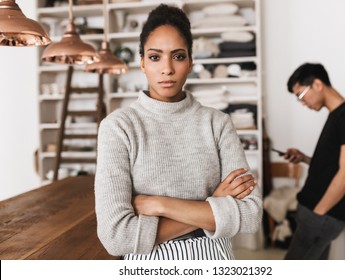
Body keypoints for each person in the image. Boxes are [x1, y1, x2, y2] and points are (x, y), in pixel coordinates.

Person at [94, 4, 262, 260]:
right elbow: (116, 238)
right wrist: (211, 206)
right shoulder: (119, 127)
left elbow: (250, 215)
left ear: (191, 62)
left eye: (178, 56)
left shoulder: (217, 123)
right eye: (154, 56)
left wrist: (158, 204)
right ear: (141, 63)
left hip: (213, 259)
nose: (167, 69)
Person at [282, 63, 345, 260]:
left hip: (321, 214)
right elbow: (332, 166)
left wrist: (318, 213)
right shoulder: (336, 115)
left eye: (301, 96)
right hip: (314, 212)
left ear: (318, 84)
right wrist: (303, 158)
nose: (302, 103)